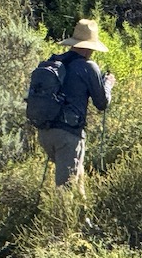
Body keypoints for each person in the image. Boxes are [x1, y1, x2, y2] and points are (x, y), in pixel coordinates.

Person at [37, 18, 114, 191]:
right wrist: (107, 84)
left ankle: (82, 218)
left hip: (45, 133)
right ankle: (63, 218)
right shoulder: (88, 67)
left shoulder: (55, 61)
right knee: (66, 191)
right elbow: (101, 103)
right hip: (68, 136)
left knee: (78, 182)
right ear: (90, 47)